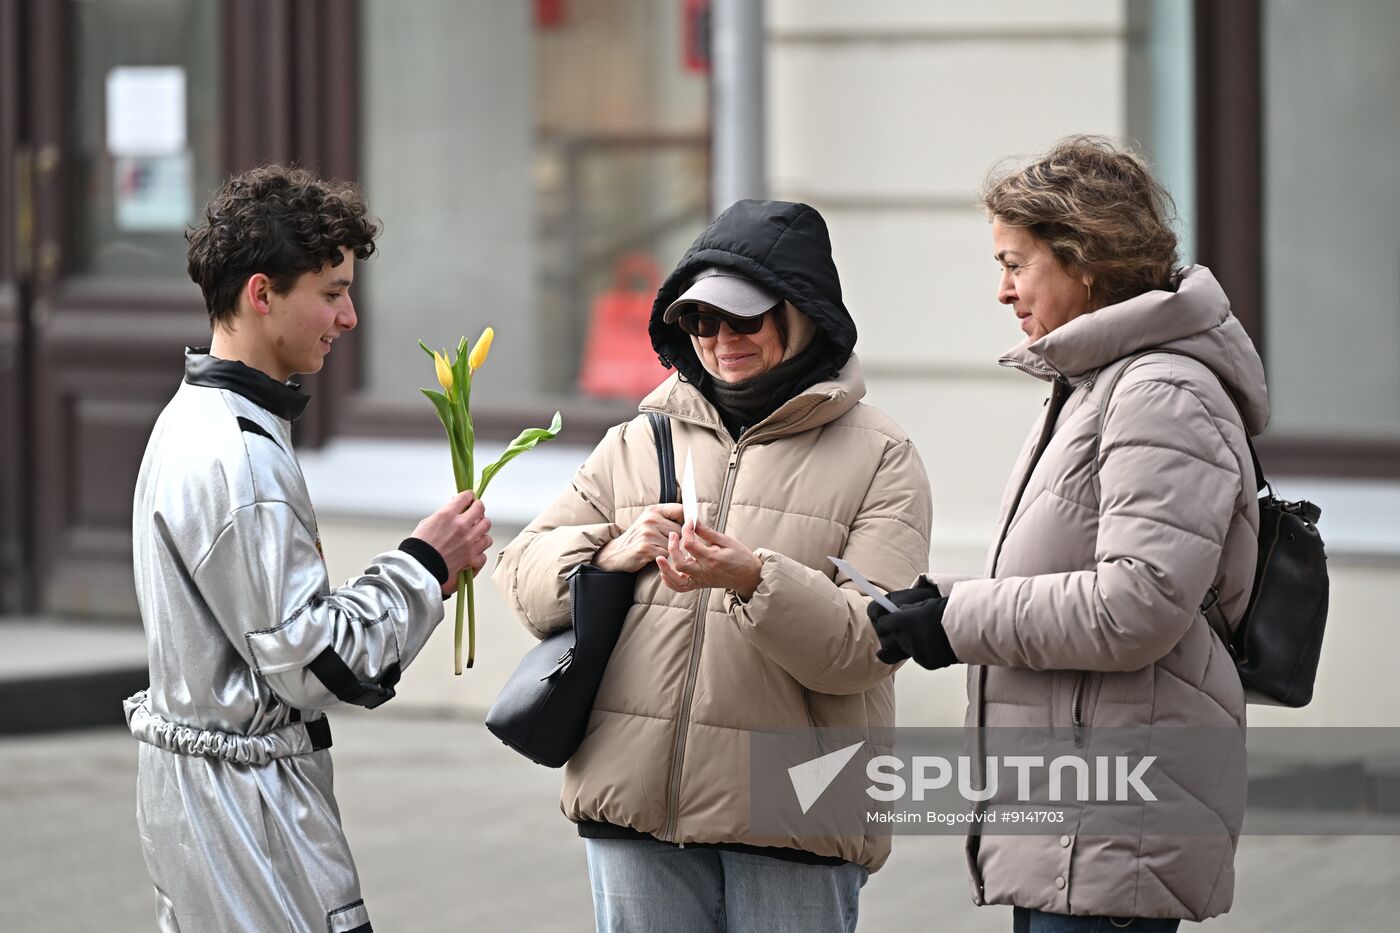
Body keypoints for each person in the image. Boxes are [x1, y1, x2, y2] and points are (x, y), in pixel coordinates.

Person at [494, 199, 931, 933]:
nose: (720, 339)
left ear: (802, 314)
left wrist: (754, 580)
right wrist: (611, 553)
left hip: (793, 814)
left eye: (742, 319)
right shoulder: (639, 439)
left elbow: (866, 648)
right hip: (635, 809)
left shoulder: (881, 455)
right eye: (699, 321)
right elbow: (523, 578)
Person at [868, 137, 1267, 930]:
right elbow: (1078, 569)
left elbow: (1136, 605)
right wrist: (939, 601)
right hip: (1078, 815)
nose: (1002, 290)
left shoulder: (1159, 391)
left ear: (1083, 259)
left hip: (1112, 823)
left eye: (1015, 263)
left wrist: (954, 622)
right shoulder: (1099, 385)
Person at [124, 164, 492, 933]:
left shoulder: (190, 416)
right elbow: (314, 661)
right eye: (331, 292)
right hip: (251, 827)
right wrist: (425, 564)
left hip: (207, 812)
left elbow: (275, 627)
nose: (349, 316)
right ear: (262, 295)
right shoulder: (241, 455)